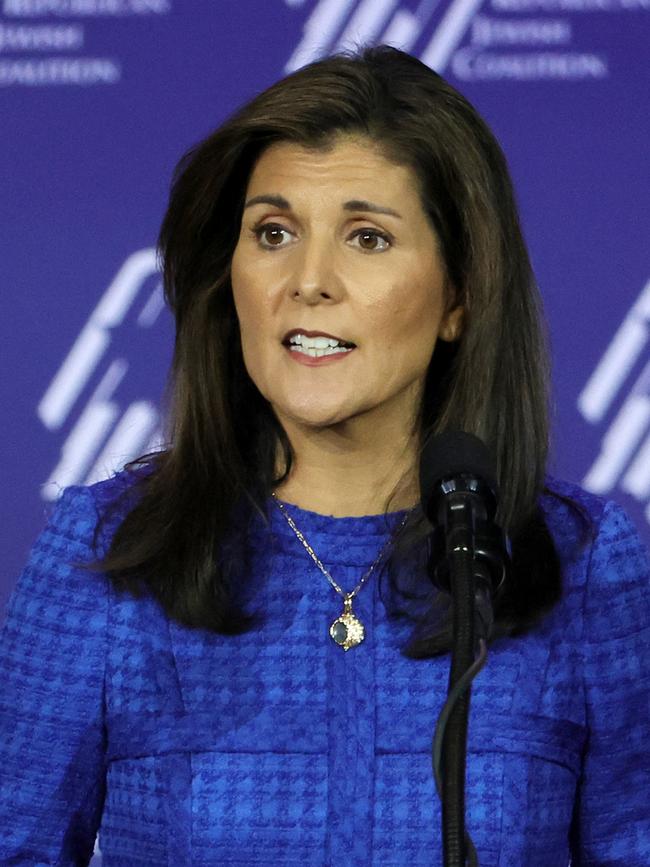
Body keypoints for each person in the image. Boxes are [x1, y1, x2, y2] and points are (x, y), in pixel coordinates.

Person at [0, 44, 648, 866]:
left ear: (459, 296)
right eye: (273, 231)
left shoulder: (582, 565)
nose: (309, 280)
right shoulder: (106, 551)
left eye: (367, 238)